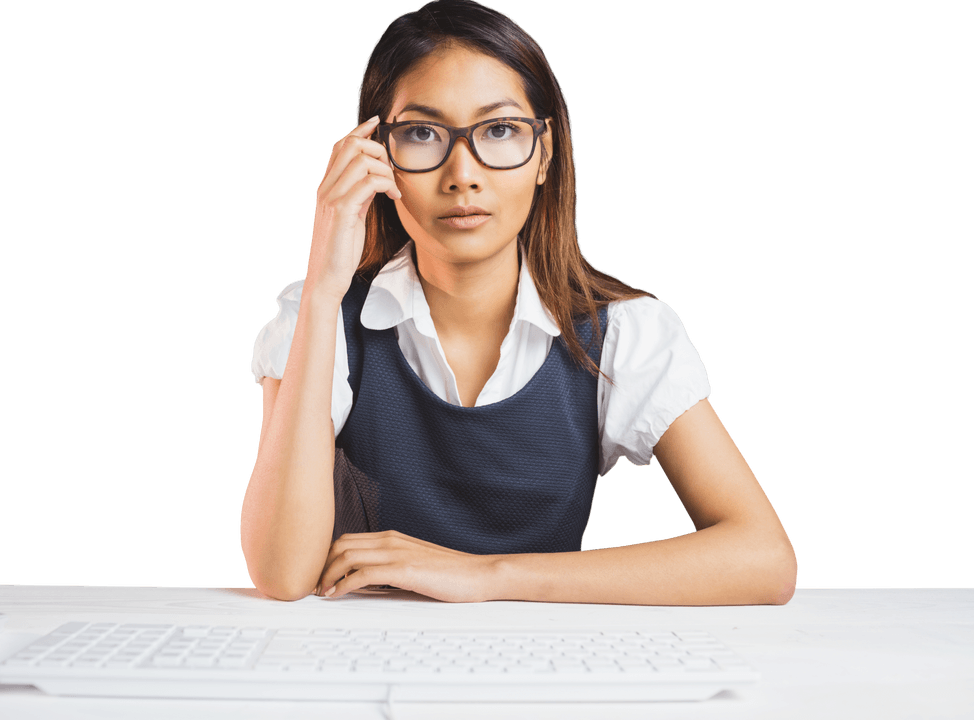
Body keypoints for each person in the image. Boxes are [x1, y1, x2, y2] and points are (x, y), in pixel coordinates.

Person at [240, 0, 798, 604]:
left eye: (499, 131)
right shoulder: (321, 318)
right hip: (356, 674)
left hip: (546, 669)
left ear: (545, 153)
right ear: (377, 157)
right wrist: (324, 283)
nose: (463, 174)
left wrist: (484, 575)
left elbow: (763, 557)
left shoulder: (622, 331)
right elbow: (281, 573)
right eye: (422, 133)